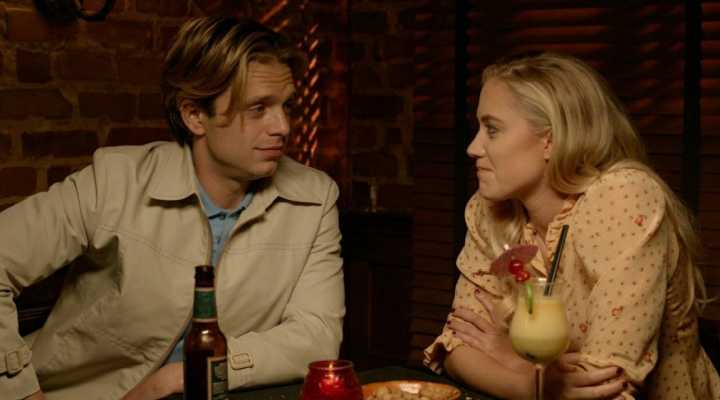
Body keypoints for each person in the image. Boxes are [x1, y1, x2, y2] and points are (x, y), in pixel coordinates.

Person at [0, 16, 345, 400]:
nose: (282, 126)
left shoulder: (314, 197)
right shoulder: (116, 181)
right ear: (194, 115)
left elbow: (316, 336)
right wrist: (20, 392)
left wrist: (183, 376)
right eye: (258, 108)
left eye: (287, 106)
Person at [424, 52, 720, 399]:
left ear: (549, 141)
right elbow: (457, 345)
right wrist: (529, 385)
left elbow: (607, 382)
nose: (473, 147)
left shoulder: (622, 198)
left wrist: (511, 361)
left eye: (492, 129)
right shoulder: (490, 208)